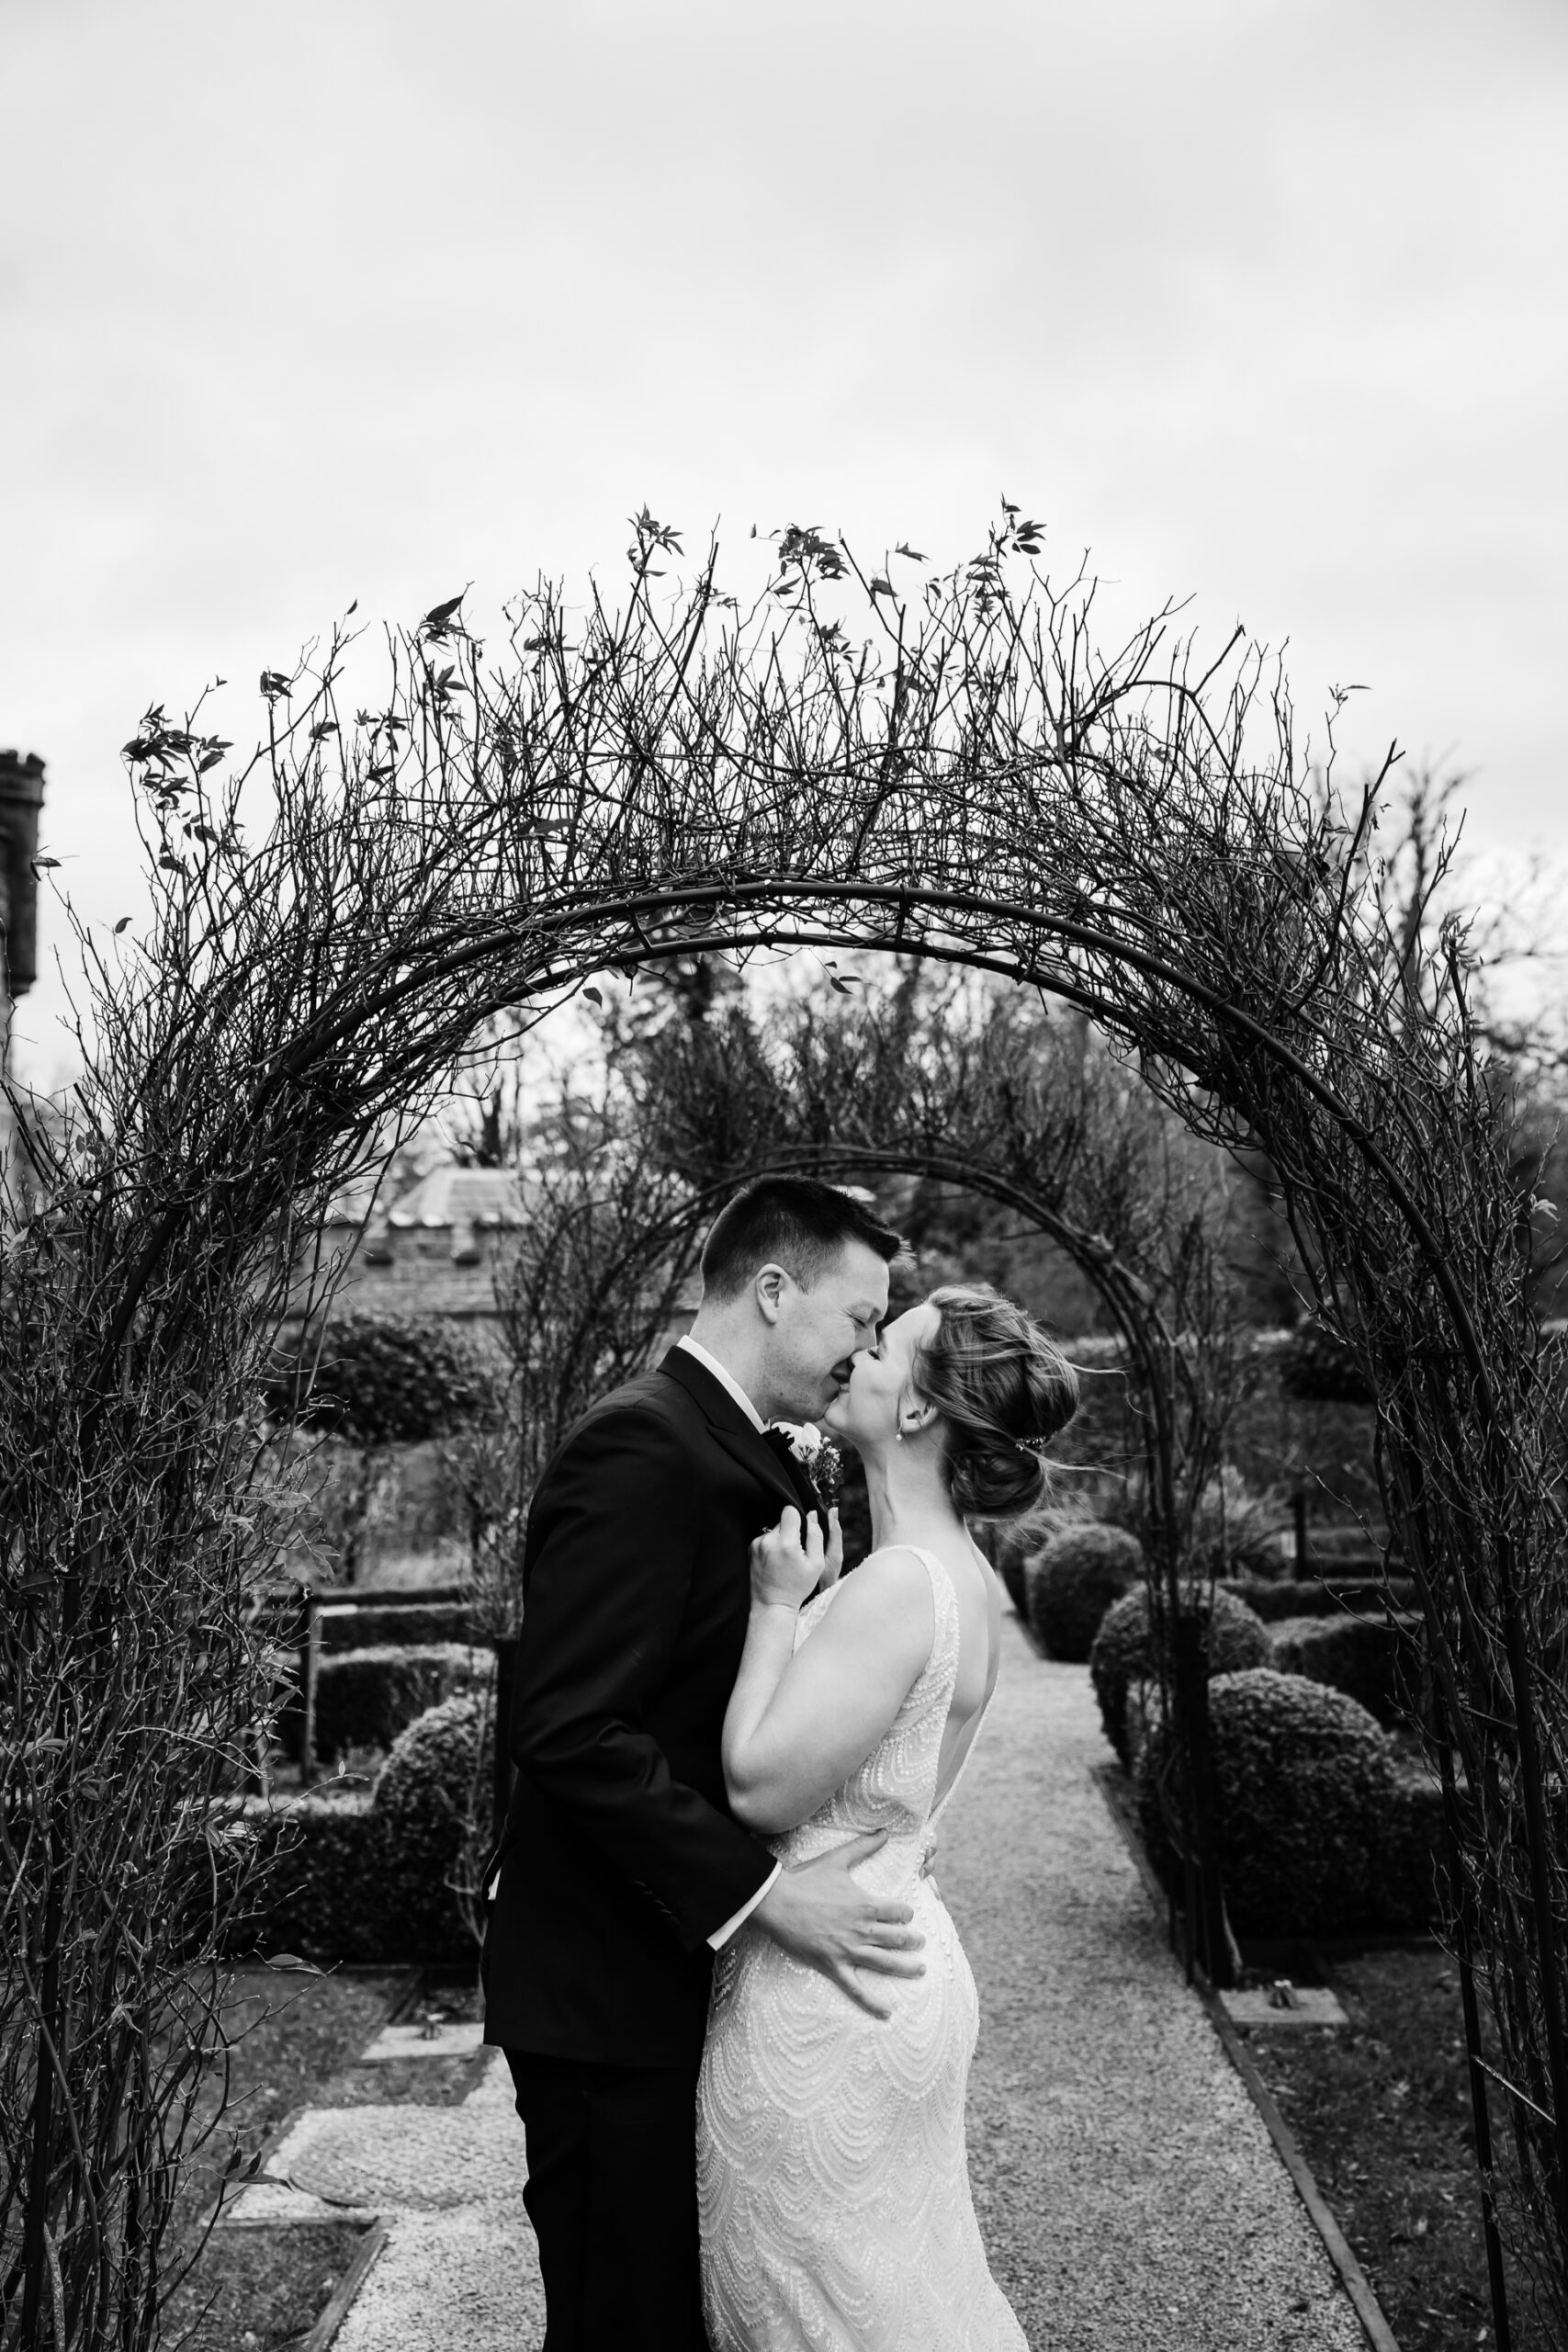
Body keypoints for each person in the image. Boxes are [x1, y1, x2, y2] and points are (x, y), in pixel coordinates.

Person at [481, 1173, 928, 2352]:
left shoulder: (739, 1447)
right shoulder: (641, 1444)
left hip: (684, 1984)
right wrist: (771, 1898)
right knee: (621, 2325)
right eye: (859, 1318)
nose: (867, 1348)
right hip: (605, 1992)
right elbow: (571, 1726)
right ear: (773, 1291)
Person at [697, 1282, 1080, 2351]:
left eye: (885, 1341)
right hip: (893, 1956)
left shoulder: (902, 1584)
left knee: (815, 2315)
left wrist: (776, 1609)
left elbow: (759, 1786)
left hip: (826, 1988)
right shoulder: (962, 1579)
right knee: (898, 2297)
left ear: (916, 1408)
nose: (860, 1348)